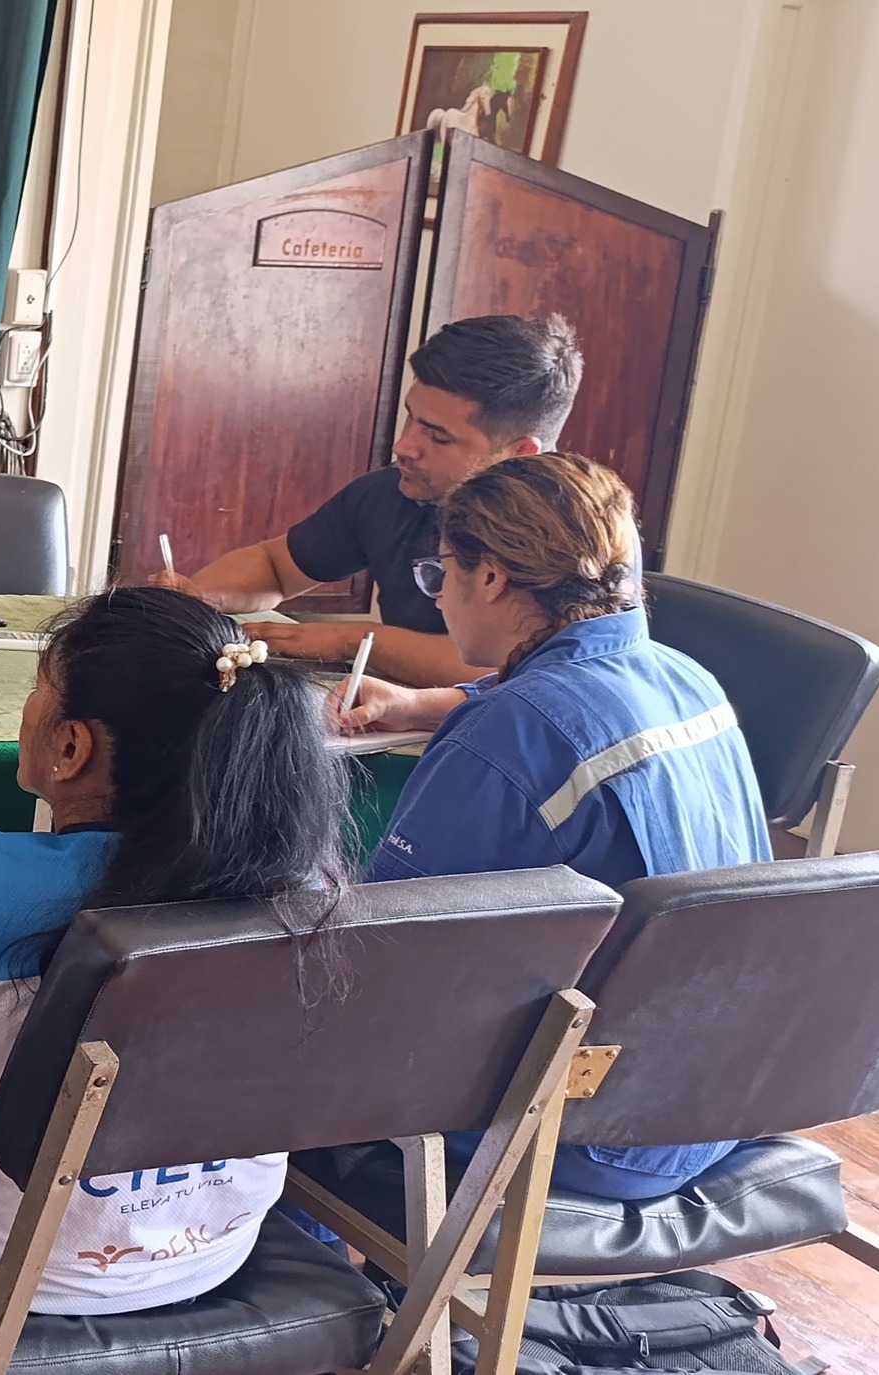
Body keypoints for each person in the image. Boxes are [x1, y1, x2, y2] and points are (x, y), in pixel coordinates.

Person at [0, 586, 352, 1314]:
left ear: (72, 747)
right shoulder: (310, 887)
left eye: (39, 689)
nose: (28, 707)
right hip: (214, 1253)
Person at [340, 452, 773, 1198]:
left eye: (439, 573)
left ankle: (309, 1259)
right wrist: (424, 704)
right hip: (721, 1095)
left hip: (585, 1128)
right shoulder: (687, 677)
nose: (438, 596)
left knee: (286, 1031)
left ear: (489, 577)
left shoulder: (506, 737)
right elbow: (569, 707)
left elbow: (382, 956)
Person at [152, 313, 583, 686]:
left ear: (519, 452)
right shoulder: (390, 493)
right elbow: (277, 568)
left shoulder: (575, 535)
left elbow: (513, 669)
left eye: (438, 437)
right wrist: (199, 596)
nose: (404, 447)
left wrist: (352, 640)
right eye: (412, 417)